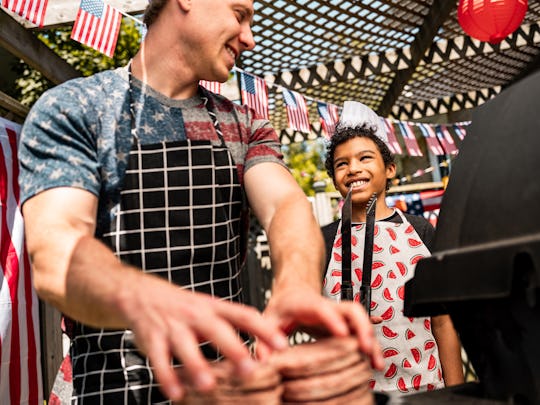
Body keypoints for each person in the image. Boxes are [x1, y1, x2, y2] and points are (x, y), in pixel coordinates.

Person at [18, 0, 383, 403]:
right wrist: (148, 298)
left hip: (232, 389)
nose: (250, 38)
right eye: (239, 14)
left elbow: (285, 206)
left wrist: (295, 285)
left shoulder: (244, 125)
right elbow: (59, 253)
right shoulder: (75, 110)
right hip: (112, 390)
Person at [321, 116, 464, 394]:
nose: (353, 169)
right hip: (352, 394)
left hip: (424, 388)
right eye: (342, 163)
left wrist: (455, 394)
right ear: (334, 178)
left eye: (364, 158)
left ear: (389, 169)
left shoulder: (420, 230)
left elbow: (442, 320)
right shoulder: (323, 240)